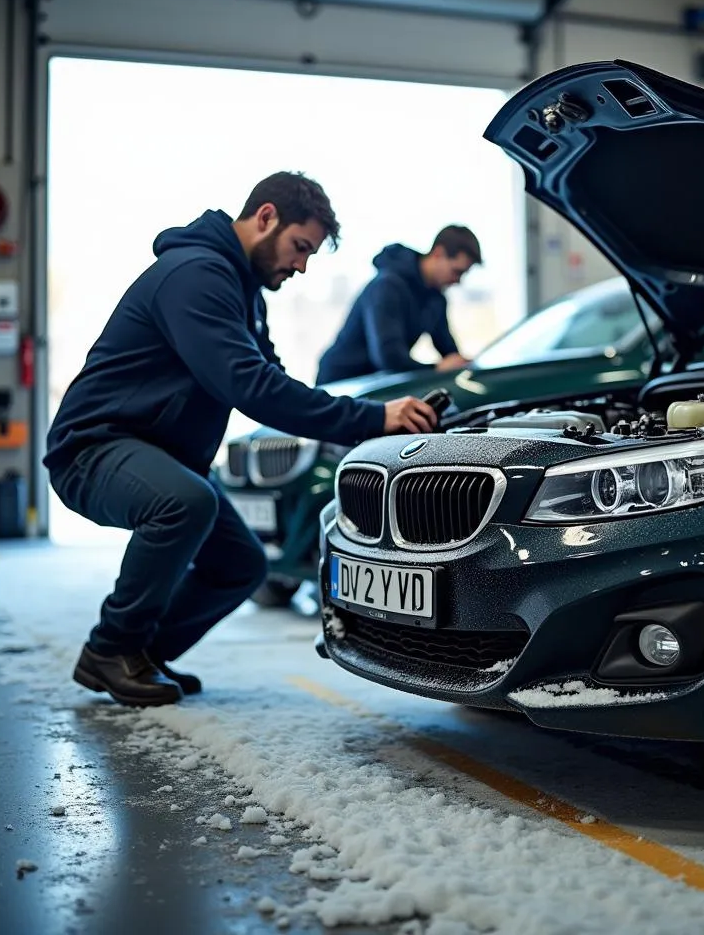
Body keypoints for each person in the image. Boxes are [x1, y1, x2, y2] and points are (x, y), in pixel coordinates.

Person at [44, 171, 436, 708]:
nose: (300, 265)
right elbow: (249, 387)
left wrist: (359, 425)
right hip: (93, 449)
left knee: (242, 565)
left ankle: (143, 654)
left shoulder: (244, 292)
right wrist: (372, 417)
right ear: (266, 217)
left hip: (158, 454)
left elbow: (273, 380)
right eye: (301, 247)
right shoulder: (195, 276)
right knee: (184, 503)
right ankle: (110, 649)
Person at [315, 225, 480, 384]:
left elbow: (448, 351)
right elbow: (388, 357)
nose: (458, 281)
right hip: (342, 383)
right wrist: (436, 368)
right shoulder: (387, 286)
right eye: (457, 271)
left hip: (377, 383)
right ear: (438, 254)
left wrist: (463, 364)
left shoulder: (436, 299)